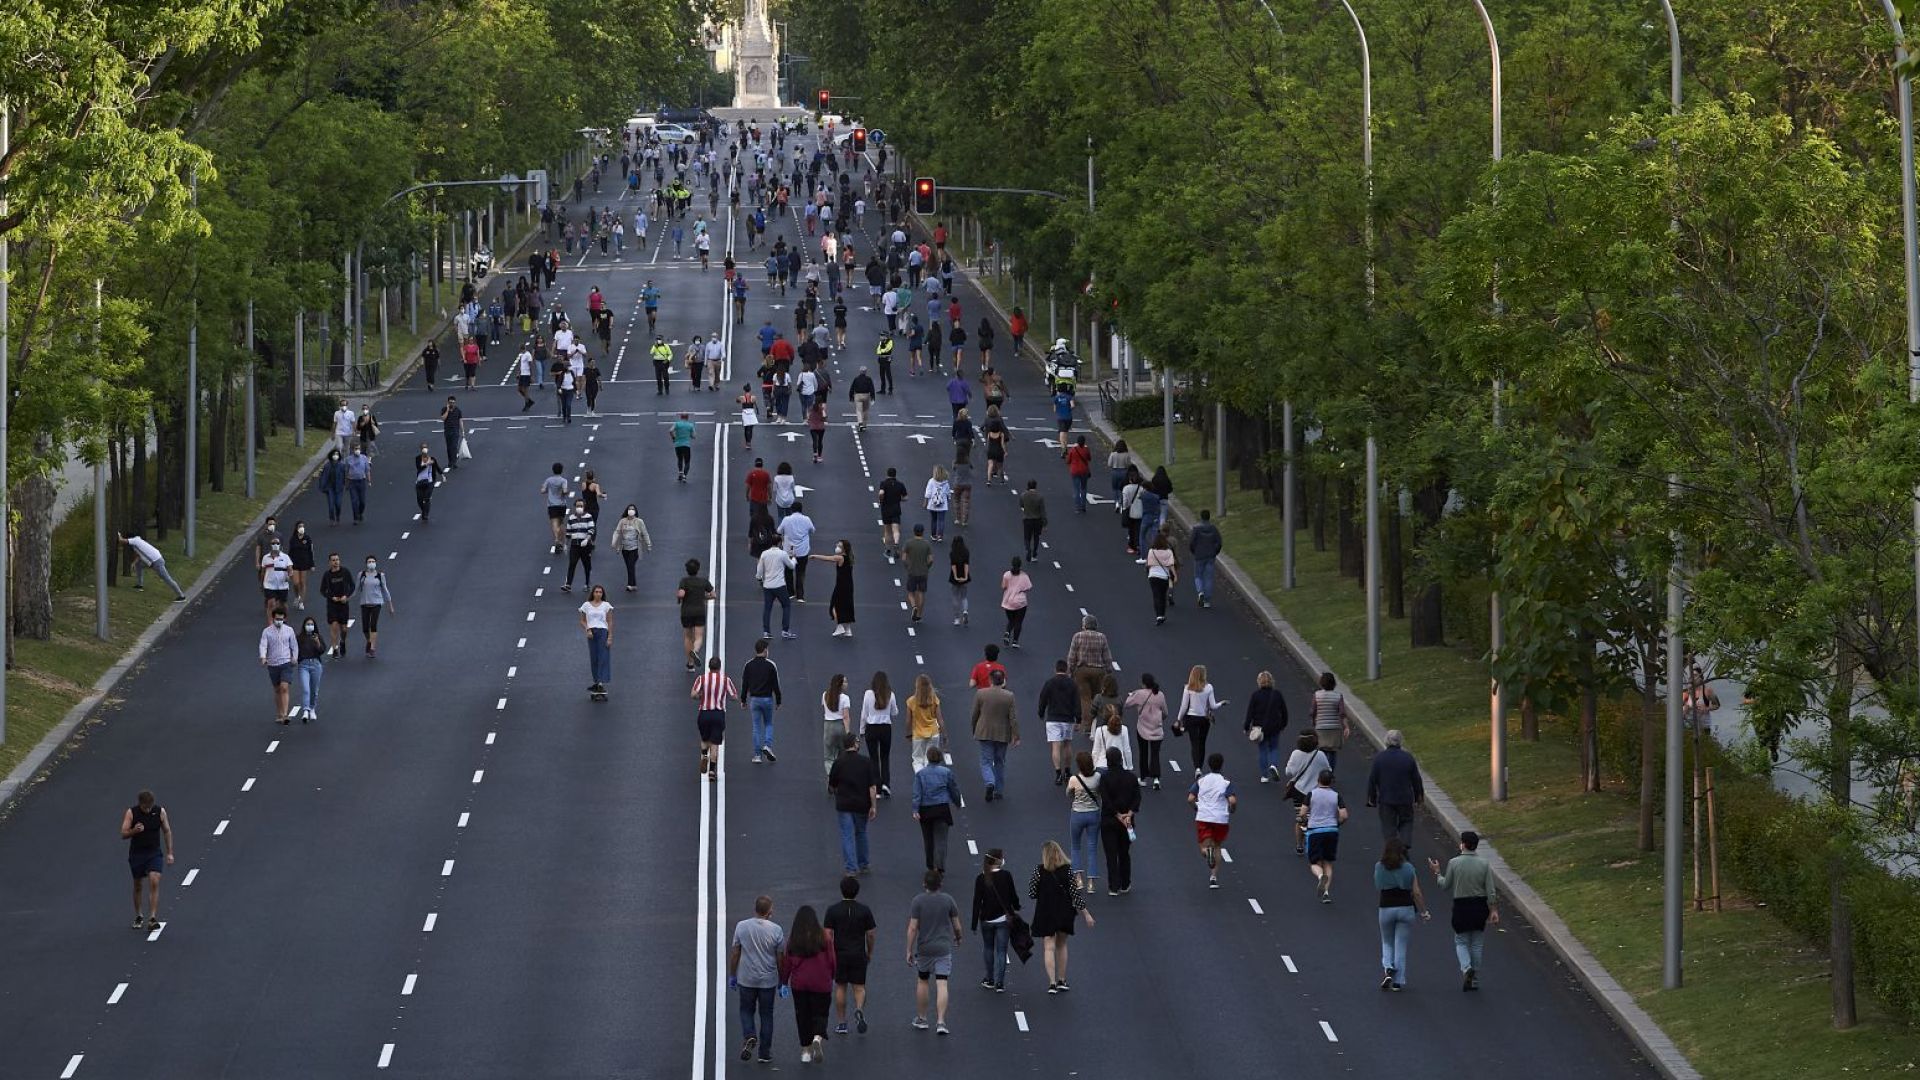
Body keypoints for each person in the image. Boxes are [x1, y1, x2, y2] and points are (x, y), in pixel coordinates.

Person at [1431, 831, 1500, 990]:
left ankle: (1466, 967)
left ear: (1463, 844)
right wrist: (1494, 909)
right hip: (1479, 906)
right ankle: (1474, 976)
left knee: (1461, 940)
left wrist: (1437, 872)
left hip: (1461, 906)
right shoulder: (1484, 864)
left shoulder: (1454, 863)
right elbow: (1490, 890)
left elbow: (1445, 885)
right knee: (1477, 943)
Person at [1029, 840, 1094, 993]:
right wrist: (1087, 914)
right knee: (1062, 946)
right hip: (1064, 912)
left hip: (1045, 912)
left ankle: (1051, 983)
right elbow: (1075, 895)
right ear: (1059, 852)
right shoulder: (1068, 870)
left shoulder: (1039, 870)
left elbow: (1032, 893)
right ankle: (1062, 980)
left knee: (1048, 947)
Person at [905, 869, 964, 1035]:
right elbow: (957, 925)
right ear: (941, 884)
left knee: (923, 981)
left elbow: (913, 927)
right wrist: (959, 938)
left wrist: (909, 950)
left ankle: (922, 1019)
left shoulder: (918, 901)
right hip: (943, 948)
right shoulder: (948, 900)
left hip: (924, 949)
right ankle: (941, 1022)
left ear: (925, 884)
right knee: (942, 983)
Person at [729, 895, 784, 1064]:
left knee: (746, 1010)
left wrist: (732, 975)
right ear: (769, 911)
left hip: (747, 978)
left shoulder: (742, 926)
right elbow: (780, 956)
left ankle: (749, 1035)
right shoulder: (776, 930)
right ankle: (764, 1053)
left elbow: (736, 952)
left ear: (755, 909)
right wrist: (783, 980)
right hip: (768, 980)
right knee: (766, 1015)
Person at [781, 905, 837, 1063]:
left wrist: (784, 982)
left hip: (800, 985)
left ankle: (805, 1051)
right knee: (821, 1013)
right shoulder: (824, 937)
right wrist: (831, 976)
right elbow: (832, 960)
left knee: (803, 1016)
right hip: (821, 982)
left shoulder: (793, 939)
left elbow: (787, 963)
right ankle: (818, 1038)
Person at [823, 876, 877, 1036]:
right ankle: (859, 1009)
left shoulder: (832, 910)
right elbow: (871, 934)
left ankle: (841, 1023)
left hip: (839, 954)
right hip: (858, 953)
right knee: (859, 987)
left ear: (841, 890)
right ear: (857, 891)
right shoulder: (864, 910)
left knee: (840, 986)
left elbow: (827, 935)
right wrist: (870, 952)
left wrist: (829, 953)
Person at [1376, 837, 1431, 992]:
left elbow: (1378, 885)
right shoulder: (1409, 868)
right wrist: (1424, 911)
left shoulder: (1379, 867)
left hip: (1386, 906)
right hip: (1406, 907)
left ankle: (1388, 968)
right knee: (1400, 944)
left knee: (1386, 941)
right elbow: (1416, 892)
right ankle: (1398, 981)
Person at [120, 790, 174, 931]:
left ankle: (152, 918)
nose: (148, 809)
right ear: (140, 805)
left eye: (150, 807)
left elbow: (167, 831)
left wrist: (169, 853)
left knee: (154, 880)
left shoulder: (160, 812)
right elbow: (123, 833)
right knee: (138, 885)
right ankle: (139, 915)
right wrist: (134, 831)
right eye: (145, 807)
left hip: (154, 853)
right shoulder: (131, 813)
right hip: (137, 854)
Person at [969, 848, 1020, 992]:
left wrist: (973, 924)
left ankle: (989, 978)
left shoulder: (981, 878)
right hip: (1003, 920)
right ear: (998, 860)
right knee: (1002, 951)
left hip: (986, 920)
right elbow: (1013, 896)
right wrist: (1016, 906)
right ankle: (1000, 983)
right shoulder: (1006, 875)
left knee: (988, 948)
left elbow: (977, 902)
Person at [827, 733, 878, 875]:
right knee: (861, 833)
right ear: (855, 744)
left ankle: (850, 868)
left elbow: (832, 784)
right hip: (862, 804)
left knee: (847, 835)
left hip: (844, 804)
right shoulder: (866, 762)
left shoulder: (839, 762)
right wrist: (873, 806)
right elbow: (872, 787)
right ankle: (864, 864)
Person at [1368, 729, 1425, 850]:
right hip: (1405, 798)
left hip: (1386, 799)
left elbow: (1373, 779)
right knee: (1406, 821)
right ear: (1400, 742)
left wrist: (1371, 798)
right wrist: (1419, 796)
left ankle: (1392, 847)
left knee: (1389, 826)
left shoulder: (1379, 758)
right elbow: (1416, 779)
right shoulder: (1408, 758)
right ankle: (1405, 842)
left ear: (1386, 742)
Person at [1188, 753, 1238, 889]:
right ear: (1221, 765)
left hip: (1204, 816)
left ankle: (1206, 852)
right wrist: (1232, 808)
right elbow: (1232, 800)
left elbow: (1191, 798)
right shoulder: (1225, 782)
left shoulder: (1202, 781)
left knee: (1203, 845)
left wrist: (1196, 808)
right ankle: (1213, 877)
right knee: (1217, 846)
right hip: (1221, 818)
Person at [1097, 746, 1141, 896]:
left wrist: (1117, 815)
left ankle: (1113, 886)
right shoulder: (1131, 777)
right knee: (1124, 852)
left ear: (1108, 761)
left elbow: (1105, 800)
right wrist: (1128, 814)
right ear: (1121, 760)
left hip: (1109, 821)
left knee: (1111, 854)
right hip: (1127, 822)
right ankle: (1125, 883)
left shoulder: (1105, 778)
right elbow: (1137, 798)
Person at [1301, 768, 1349, 903]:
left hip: (1315, 830)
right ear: (1331, 782)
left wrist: (1306, 821)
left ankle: (1320, 875)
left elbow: (1303, 813)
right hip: (1331, 830)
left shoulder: (1311, 794)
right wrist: (1337, 824)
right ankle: (1326, 893)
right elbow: (1344, 815)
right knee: (1328, 861)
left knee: (1314, 862)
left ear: (1318, 780)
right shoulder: (1336, 796)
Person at [913, 746, 963, 871]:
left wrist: (915, 810)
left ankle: (930, 866)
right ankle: (940, 866)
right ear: (940, 757)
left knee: (928, 839)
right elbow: (953, 789)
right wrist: (957, 803)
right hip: (941, 809)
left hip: (925, 810)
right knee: (941, 840)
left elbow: (917, 793)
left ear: (928, 758)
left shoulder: (921, 774)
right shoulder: (946, 772)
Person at [1285, 731, 1333, 854]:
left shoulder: (1295, 754)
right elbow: (1328, 770)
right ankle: (1312, 842)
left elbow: (1289, 772)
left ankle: (1299, 845)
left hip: (1299, 791)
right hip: (1316, 792)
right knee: (1315, 818)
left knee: (1300, 817)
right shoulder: (1320, 755)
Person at [692, 656, 738, 781]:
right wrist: (726, 696)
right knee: (715, 743)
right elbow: (734, 696)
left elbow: (693, 694)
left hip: (704, 713)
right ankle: (712, 771)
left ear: (709, 667)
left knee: (704, 738)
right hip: (718, 714)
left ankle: (703, 755)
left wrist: (701, 695)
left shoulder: (701, 679)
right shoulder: (725, 680)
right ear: (719, 667)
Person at [1175, 665, 1226, 775]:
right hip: (1204, 719)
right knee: (1202, 743)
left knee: (1194, 743)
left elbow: (1184, 706)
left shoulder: (1188, 688)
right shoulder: (1209, 688)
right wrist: (1221, 703)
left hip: (1191, 718)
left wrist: (1179, 719)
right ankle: (1200, 766)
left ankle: (1197, 767)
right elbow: (1212, 706)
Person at [1066, 615, 1115, 730]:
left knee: (1085, 698)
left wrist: (1070, 671)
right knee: (1098, 697)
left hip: (1082, 671)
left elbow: (1071, 656)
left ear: (1084, 625)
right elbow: (1107, 656)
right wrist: (1109, 671)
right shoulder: (1102, 637)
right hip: (1099, 671)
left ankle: (1086, 725)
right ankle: (1098, 724)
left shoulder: (1078, 636)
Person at [742, 637, 784, 763]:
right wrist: (779, 700)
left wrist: (743, 699)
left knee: (756, 726)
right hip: (767, 699)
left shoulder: (748, 665)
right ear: (765, 650)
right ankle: (767, 745)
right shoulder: (771, 665)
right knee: (768, 724)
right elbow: (776, 684)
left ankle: (757, 755)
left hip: (754, 699)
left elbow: (745, 684)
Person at [1038, 660, 1080, 785]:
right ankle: (1067, 771)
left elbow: (1043, 699)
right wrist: (1079, 719)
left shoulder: (1050, 683)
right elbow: (1077, 702)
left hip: (1053, 718)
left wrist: (1041, 713)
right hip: (1067, 719)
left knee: (1055, 746)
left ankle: (1058, 773)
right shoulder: (1072, 684)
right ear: (1066, 669)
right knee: (1067, 745)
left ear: (1055, 669)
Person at [1124, 673, 1169, 789]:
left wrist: (1131, 695)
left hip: (1142, 728)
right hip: (1157, 729)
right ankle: (1156, 778)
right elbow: (1165, 712)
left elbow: (1127, 704)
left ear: (1143, 683)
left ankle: (1143, 777)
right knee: (1155, 754)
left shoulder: (1139, 694)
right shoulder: (1160, 695)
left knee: (1143, 752)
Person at [1066, 750, 1103, 888]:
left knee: (1075, 846)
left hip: (1077, 814)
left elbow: (1068, 794)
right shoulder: (1097, 777)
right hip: (1093, 813)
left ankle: (1078, 879)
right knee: (1092, 847)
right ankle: (1091, 882)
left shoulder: (1074, 779)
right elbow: (1100, 793)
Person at [1245, 670, 1290, 783]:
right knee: (1274, 748)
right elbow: (1284, 711)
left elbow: (1250, 712)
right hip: (1275, 726)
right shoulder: (1277, 694)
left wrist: (1246, 726)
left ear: (1259, 682)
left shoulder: (1256, 695)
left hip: (1260, 727)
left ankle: (1264, 776)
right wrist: (1283, 724)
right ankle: (1273, 765)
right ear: (1271, 681)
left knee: (1262, 750)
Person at [860, 670, 899, 797]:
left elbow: (864, 714)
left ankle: (876, 787)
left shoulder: (868, 694)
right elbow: (895, 712)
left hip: (871, 728)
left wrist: (861, 730)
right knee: (885, 757)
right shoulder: (890, 694)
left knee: (873, 758)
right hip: (885, 728)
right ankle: (886, 784)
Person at [118, 532, 187, 600]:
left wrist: (118, 534)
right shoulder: (138, 542)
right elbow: (139, 555)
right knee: (139, 565)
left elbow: (121, 540)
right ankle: (140, 585)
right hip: (155, 560)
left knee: (167, 579)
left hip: (156, 562)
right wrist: (134, 563)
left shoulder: (135, 541)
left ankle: (181, 596)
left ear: (130, 538)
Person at [258, 607, 297, 723]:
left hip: (286, 663)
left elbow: (294, 645)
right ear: (273, 618)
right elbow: (263, 645)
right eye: (276, 618)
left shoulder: (289, 630)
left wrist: (294, 658)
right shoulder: (267, 631)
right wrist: (263, 657)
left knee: (284, 687)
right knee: (277, 689)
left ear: (284, 618)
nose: (278, 621)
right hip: (273, 664)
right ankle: (279, 713)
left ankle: (285, 714)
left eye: (281, 618)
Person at [812, 540, 856, 637]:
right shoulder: (850, 557)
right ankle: (848, 630)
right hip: (849, 585)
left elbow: (828, 558)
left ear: (844, 548)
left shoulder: (840, 558)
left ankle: (840, 626)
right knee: (848, 605)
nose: (837, 547)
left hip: (841, 585)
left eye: (839, 546)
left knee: (835, 605)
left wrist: (815, 556)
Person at [677, 558, 715, 671]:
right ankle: (695, 650)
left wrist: (679, 597)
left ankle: (690, 663)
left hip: (686, 612)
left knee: (688, 637)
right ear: (698, 569)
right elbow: (713, 595)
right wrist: (703, 597)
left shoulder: (684, 581)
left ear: (687, 570)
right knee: (699, 636)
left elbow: (681, 594)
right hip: (699, 611)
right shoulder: (703, 581)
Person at [1312, 671, 1354, 773]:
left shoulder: (1317, 695)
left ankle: (1322, 773)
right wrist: (1346, 727)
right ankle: (1330, 773)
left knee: (1321, 751)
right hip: (1334, 728)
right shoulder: (1338, 696)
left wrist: (1314, 723)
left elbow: (1313, 711)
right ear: (1333, 683)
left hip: (1321, 727)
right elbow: (1342, 713)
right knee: (1332, 752)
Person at [756, 537, 796, 640]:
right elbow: (791, 566)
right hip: (779, 585)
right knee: (786, 605)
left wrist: (759, 578)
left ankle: (766, 631)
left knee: (767, 609)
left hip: (767, 586)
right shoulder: (782, 554)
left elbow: (759, 570)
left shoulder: (764, 554)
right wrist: (794, 559)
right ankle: (785, 630)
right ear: (779, 543)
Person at [776, 500, 815, 601]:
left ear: (792, 510)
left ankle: (790, 593)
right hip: (803, 551)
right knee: (800, 573)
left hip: (789, 550)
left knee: (788, 572)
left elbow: (779, 531)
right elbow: (812, 530)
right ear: (801, 510)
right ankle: (800, 595)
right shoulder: (806, 519)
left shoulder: (786, 519)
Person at [579, 584, 614, 696]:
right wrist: (588, 629)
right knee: (594, 657)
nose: (598, 594)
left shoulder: (606, 605)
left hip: (603, 632)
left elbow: (609, 621)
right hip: (592, 633)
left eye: (600, 592)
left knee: (603, 657)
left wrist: (609, 636)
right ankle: (596, 681)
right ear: (593, 593)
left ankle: (601, 683)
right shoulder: (586, 605)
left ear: (603, 594)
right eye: (596, 592)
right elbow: (583, 620)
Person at [611, 505, 653, 593]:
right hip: (624, 548)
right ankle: (633, 585)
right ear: (627, 511)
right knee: (629, 567)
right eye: (629, 509)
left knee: (631, 565)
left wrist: (648, 544)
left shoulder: (639, 521)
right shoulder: (622, 521)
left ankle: (630, 584)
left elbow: (645, 533)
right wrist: (614, 542)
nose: (631, 510)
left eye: (633, 509)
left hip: (635, 548)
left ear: (635, 511)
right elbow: (617, 531)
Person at [907, 673, 944, 773]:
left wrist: (908, 733)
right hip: (933, 733)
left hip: (918, 734)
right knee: (931, 760)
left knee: (917, 760)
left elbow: (908, 720)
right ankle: (931, 780)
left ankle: (921, 779)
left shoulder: (911, 701)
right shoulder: (934, 699)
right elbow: (940, 719)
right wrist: (944, 734)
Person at [318, 553, 352, 657]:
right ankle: (335, 648)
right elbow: (322, 590)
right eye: (333, 560)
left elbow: (352, 586)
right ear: (329, 562)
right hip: (332, 604)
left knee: (344, 628)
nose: (335, 562)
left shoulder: (345, 572)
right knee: (334, 626)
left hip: (343, 604)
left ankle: (342, 641)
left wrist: (346, 596)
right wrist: (331, 597)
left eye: (337, 560)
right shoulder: (327, 575)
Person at [821, 674, 855, 778]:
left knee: (829, 756)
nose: (846, 684)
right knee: (842, 755)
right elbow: (846, 716)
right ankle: (841, 779)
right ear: (840, 685)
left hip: (828, 726)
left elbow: (824, 709)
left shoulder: (825, 695)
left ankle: (831, 777)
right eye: (845, 682)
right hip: (840, 726)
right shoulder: (845, 698)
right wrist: (848, 732)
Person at [294, 614, 326, 722]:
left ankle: (312, 708)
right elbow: (295, 650)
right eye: (308, 624)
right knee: (306, 689)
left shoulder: (318, 637)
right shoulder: (299, 638)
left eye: (312, 624)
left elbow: (322, 650)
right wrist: (298, 660)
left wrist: (317, 642)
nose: (310, 626)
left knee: (314, 690)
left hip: (316, 665)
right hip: (304, 665)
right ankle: (305, 710)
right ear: (304, 626)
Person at [1188, 508, 1223, 607]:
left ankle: (1200, 592)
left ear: (1201, 517)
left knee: (1198, 575)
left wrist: (1194, 551)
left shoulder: (1196, 529)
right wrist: (1215, 551)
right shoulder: (1213, 528)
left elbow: (1191, 543)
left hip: (1199, 555)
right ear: (1209, 517)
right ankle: (1207, 601)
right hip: (1210, 556)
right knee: (1208, 578)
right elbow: (1219, 542)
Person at [900, 524, 933, 622]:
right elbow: (931, 560)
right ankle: (919, 615)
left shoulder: (908, 543)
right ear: (922, 532)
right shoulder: (926, 544)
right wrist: (927, 567)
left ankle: (914, 606)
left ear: (914, 531)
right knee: (921, 593)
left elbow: (904, 558)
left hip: (912, 572)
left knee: (911, 592)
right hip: (923, 572)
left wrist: (907, 567)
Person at [562, 499, 596, 592]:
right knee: (572, 564)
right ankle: (568, 584)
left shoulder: (588, 516)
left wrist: (587, 539)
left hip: (585, 545)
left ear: (584, 507)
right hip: (575, 545)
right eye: (577, 506)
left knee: (586, 565)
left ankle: (587, 583)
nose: (579, 508)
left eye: (581, 506)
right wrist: (565, 544)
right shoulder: (571, 518)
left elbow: (591, 529)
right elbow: (568, 532)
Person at [1145, 534, 1179, 625]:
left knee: (1156, 596)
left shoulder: (1151, 551)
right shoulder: (1169, 552)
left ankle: (1158, 615)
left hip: (1153, 576)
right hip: (1164, 576)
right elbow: (1171, 565)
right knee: (1163, 595)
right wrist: (1175, 576)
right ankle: (1162, 614)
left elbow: (1148, 564)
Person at [999, 556, 1032, 648]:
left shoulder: (1006, 575)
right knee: (1018, 621)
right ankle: (1015, 641)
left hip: (1008, 601)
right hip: (1021, 602)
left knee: (1011, 620)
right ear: (1020, 565)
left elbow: (1003, 586)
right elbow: (1028, 587)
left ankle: (1007, 632)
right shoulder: (1024, 576)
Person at [1090, 704, 1135, 771]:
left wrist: (1093, 767)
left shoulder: (1100, 730)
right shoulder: (1124, 729)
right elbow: (1127, 750)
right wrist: (1129, 766)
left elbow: (1095, 752)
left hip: (1102, 765)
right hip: (1120, 765)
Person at [539, 462, 570, 554]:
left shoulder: (548, 480)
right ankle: (562, 541)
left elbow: (543, 490)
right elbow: (565, 491)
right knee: (561, 522)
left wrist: (548, 490)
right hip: (561, 504)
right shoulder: (563, 481)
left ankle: (557, 540)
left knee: (554, 523)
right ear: (561, 470)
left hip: (552, 505)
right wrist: (565, 493)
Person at [877, 468, 907, 556]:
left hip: (886, 509)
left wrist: (881, 500)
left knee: (887, 531)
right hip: (896, 509)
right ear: (895, 474)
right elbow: (906, 497)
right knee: (896, 530)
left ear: (887, 474)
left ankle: (888, 549)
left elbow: (881, 493)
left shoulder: (884, 483)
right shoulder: (900, 484)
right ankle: (896, 543)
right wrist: (898, 498)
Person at [286, 521, 315, 611]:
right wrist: (288, 564)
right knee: (296, 583)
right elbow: (290, 552)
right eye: (300, 526)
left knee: (302, 582)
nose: (302, 528)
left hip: (304, 563)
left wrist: (312, 564)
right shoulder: (293, 539)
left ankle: (301, 601)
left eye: (303, 526)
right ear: (296, 528)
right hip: (294, 563)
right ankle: (297, 596)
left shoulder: (307, 538)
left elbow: (311, 552)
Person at [412, 445, 443, 523]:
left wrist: (442, 475)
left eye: (425, 448)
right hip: (419, 481)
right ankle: (423, 510)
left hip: (430, 481)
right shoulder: (418, 459)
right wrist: (427, 463)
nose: (424, 450)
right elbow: (418, 467)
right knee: (419, 499)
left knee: (426, 498)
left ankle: (425, 514)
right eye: (423, 448)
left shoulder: (432, 459)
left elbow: (437, 467)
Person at [344, 442, 373, 524]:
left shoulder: (364, 458)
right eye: (356, 449)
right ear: (352, 450)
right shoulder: (348, 459)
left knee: (362, 501)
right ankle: (355, 518)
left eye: (359, 449)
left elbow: (367, 470)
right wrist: (346, 483)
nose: (357, 450)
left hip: (361, 481)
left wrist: (369, 480)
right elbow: (346, 472)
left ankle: (360, 513)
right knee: (354, 501)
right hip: (352, 482)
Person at [1019, 479, 1047, 561]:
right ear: (1036, 486)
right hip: (1037, 520)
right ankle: (1034, 553)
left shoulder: (1023, 495)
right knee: (1036, 537)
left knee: (1027, 537)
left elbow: (1021, 505)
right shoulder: (1040, 497)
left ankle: (1028, 549)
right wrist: (1045, 523)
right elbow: (1043, 511)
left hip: (1027, 519)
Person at [947, 534, 971, 626]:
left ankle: (957, 619)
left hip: (954, 577)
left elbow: (953, 566)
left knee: (955, 597)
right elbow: (966, 565)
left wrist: (956, 576)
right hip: (964, 576)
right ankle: (965, 611)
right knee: (964, 597)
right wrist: (965, 576)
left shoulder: (952, 553)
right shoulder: (966, 552)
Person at [318, 449, 347, 524]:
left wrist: (346, 485)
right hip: (330, 488)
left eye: (337, 454)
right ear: (331, 456)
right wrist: (322, 487)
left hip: (339, 488)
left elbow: (345, 476)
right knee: (331, 505)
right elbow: (324, 476)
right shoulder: (327, 466)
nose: (335, 456)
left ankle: (337, 516)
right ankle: (332, 519)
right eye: (334, 454)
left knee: (338, 504)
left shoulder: (342, 465)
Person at [1065, 435, 1093, 512]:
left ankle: (1077, 507)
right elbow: (1089, 458)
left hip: (1074, 471)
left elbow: (1068, 461)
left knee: (1076, 490)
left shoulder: (1073, 450)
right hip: (1084, 471)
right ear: (1084, 442)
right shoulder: (1086, 449)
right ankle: (1083, 506)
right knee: (1083, 489)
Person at [923, 465, 951, 541]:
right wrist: (948, 499)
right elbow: (948, 493)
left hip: (933, 504)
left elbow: (928, 493)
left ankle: (933, 535)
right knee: (941, 520)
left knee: (934, 519)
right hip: (942, 505)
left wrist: (925, 502)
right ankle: (940, 536)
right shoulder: (946, 482)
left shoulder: (931, 481)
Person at [670, 412, 696, 483]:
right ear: (687, 417)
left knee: (680, 459)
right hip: (686, 445)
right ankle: (685, 475)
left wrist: (673, 437)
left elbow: (671, 430)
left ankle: (680, 472)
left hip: (678, 445)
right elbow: (694, 436)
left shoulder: (677, 424)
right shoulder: (690, 425)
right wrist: (689, 435)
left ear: (681, 417)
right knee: (687, 461)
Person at [440, 396, 465, 469]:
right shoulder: (444, 409)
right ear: (448, 402)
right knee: (449, 447)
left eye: (453, 403)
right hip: (447, 431)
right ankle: (450, 461)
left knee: (454, 446)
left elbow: (460, 421)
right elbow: (443, 419)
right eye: (450, 403)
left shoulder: (458, 410)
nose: (452, 404)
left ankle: (454, 462)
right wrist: (447, 410)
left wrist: (463, 431)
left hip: (455, 431)